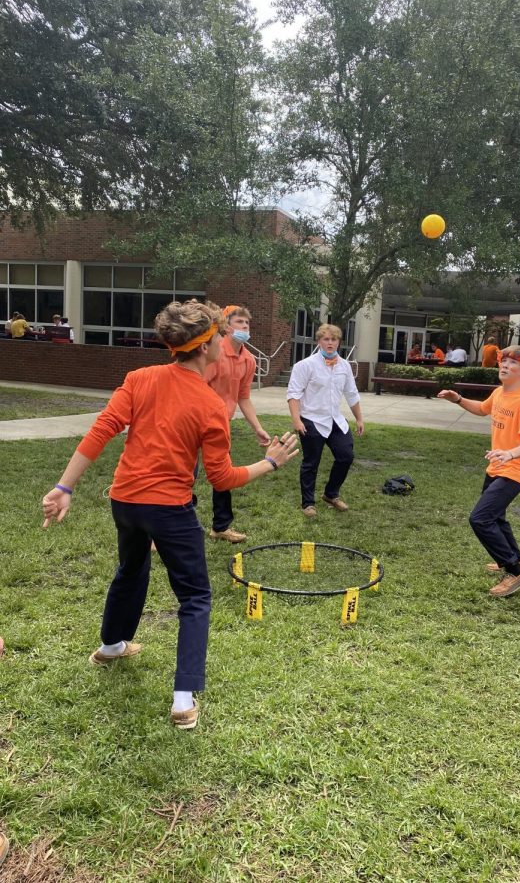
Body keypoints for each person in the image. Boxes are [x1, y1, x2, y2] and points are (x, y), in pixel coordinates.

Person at [42, 299, 298, 730]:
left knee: (131, 568)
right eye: (220, 335)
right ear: (203, 347)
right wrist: (270, 462)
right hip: (168, 510)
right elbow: (223, 479)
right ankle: (183, 699)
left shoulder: (140, 378)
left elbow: (102, 429)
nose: (225, 341)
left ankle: (111, 646)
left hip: (124, 502)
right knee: (195, 597)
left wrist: (64, 486)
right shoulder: (210, 405)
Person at [437, 345, 520, 598]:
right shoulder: (499, 393)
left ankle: (516, 572)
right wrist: (458, 399)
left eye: (512, 363)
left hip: (516, 469)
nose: (504, 366)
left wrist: (510, 453)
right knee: (496, 517)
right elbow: (483, 409)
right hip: (497, 466)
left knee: (480, 519)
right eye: (503, 362)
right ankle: (515, 559)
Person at [203, 305, 271, 544]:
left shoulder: (248, 360)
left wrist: (258, 427)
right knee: (181, 476)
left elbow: (243, 397)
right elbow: (196, 387)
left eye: (247, 323)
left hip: (221, 425)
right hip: (196, 422)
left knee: (222, 476)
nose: (244, 327)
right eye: (239, 322)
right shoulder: (213, 352)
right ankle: (162, 531)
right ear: (226, 326)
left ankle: (220, 527)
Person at [287, 323, 364, 517]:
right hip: (311, 420)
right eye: (326, 339)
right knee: (311, 463)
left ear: (339, 342)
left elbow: (352, 394)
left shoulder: (345, 366)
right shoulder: (305, 366)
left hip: (335, 420)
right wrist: (297, 421)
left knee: (346, 456)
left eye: (334, 339)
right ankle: (308, 504)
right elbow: (294, 395)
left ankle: (331, 494)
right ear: (319, 341)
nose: (330, 343)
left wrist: (359, 419)